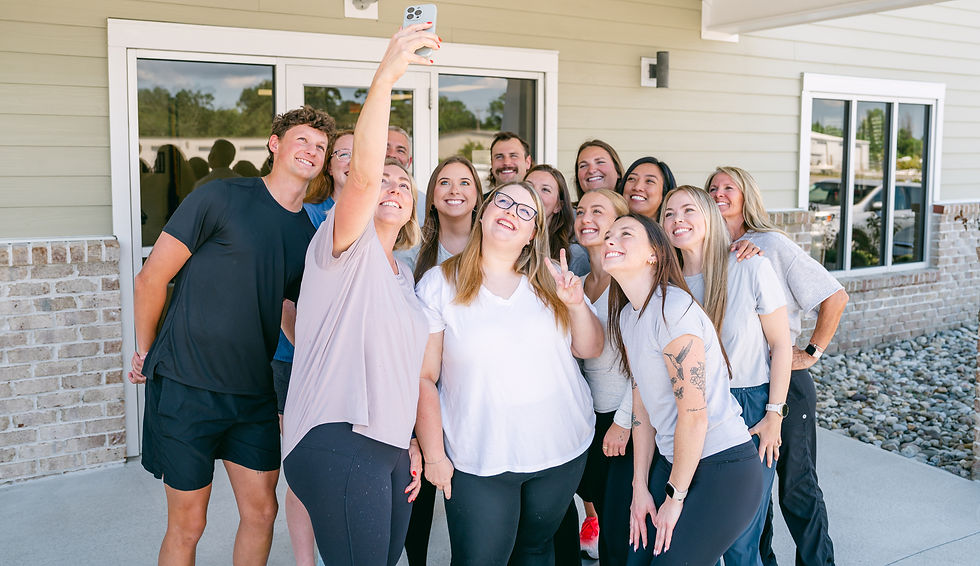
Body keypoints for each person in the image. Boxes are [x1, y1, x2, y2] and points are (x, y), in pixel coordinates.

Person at [127, 104, 335, 566]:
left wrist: (322, 360)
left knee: (262, 512)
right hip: (186, 385)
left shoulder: (307, 234)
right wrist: (144, 349)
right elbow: (151, 279)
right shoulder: (219, 197)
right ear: (274, 144)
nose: (312, 150)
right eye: (302, 139)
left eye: (320, 146)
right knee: (189, 523)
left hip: (251, 394)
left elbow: (287, 307)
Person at [281, 25, 440, 566]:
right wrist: (385, 79)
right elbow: (365, 177)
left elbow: (400, 370)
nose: (392, 187)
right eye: (383, 182)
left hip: (389, 448)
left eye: (404, 185)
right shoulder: (342, 245)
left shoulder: (402, 275)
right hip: (337, 438)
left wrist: (412, 442)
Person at [415, 181, 603, 566]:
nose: (510, 212)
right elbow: (423, 376)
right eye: (503, 201)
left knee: (535, 552)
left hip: (559, 450)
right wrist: (434, 454)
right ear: (483, 212)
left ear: (534, 232)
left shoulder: (553, 277)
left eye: (525, 210)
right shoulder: (439, 284)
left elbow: (589, 348)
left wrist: (576, 304)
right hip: (478, 456)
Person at [705, 167, 848, 566]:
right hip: (743, 386)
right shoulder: (710, 249)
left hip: (787, 381)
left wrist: (813, 351)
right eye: (711, 188)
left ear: (746, 195)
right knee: (753, 492)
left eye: (728, 187)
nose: (718, 193)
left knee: (797, 487)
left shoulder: (770, 243)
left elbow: (834, 297)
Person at [602, 213, 763, 566]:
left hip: (723, 467)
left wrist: (674, 498)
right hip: (675, 461)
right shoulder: (630, 315)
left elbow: (694, 416)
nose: (610, 240)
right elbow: (642, 406)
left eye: (625, 234)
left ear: (654, 254)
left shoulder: (673, 309)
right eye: (609, 235)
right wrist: (640, 487)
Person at [660, 186, 792, 566]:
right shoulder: (668, 283)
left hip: (749, 405)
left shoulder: (750, 266)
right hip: (687, 411)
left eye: (688, 209)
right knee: (698, 535)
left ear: (710, 217)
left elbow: (781, 345)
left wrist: (774, 415)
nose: (677, 219)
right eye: (669, 213)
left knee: (740, 540)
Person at [272, 128, 353, 566]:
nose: (349, 159)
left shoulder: (389, 217)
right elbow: (286, 297)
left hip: (358, 367)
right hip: (298, 360)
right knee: (304, 467)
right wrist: (314, 354)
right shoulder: (305, 216)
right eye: (341, 152)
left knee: (349, 464)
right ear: (329, 164)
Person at [402, 155, 482, 566]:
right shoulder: (411, 254)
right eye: (445, 183)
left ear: (477, 196)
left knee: (468, 509)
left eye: (465, 183)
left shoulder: (495, 251)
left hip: (471, 399)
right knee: (417, 499)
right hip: (419, 392)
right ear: (430, 197)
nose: (455, 191)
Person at [574, 188, 635, 564]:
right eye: (581, 211)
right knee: (600, 511)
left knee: (622, 528)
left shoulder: (629, 285)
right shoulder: (577, 285)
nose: (586, 218)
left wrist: (625, 421)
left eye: (598, 211)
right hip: (588, 419)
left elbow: (647, 364)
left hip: (622, 421)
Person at [524, 163, 590, 276]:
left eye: (545, 189)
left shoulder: (574, 255)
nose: (534, 193)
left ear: (558, 206)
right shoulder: (506, 242)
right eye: (528, 186)